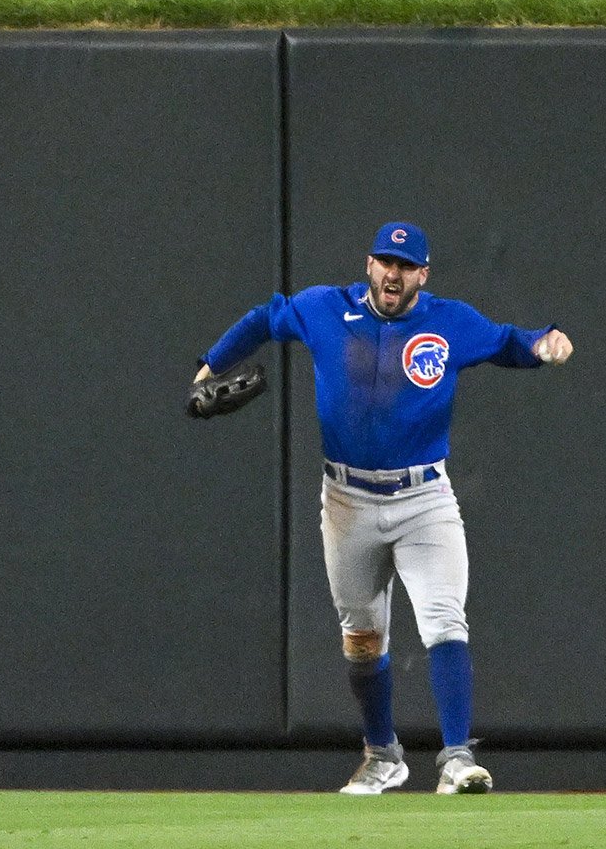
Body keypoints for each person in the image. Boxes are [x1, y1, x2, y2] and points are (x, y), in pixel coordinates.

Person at [191, 222, 573, 794]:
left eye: (405, 265)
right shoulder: (325, 308)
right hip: (346, 499)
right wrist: (208, 365)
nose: (392, 273)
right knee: (362, 637)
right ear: (368, 264)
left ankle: (457, 758)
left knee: (444, 618)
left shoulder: (449, 322)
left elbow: (507, 341)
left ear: (423, 274)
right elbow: (264, 318)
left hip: (424, 499)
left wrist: (544, 342)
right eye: (384, 261)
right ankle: (383, 755)